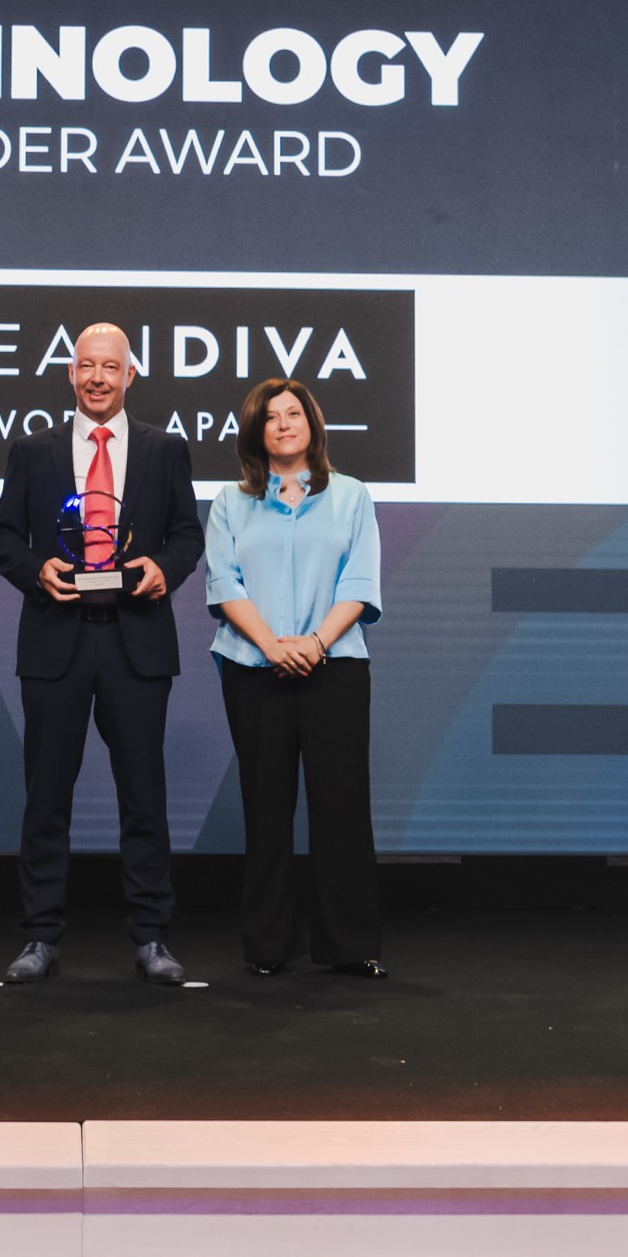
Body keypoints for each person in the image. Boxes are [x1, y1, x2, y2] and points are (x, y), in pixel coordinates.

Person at [0, 323, 204, 984]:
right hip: (56, 640)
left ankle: (152, 938)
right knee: (45, 797)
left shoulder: (165, 449)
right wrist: (37, 570)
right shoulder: (33, 451)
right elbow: (2, 539)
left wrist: (164, 568)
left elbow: (187, 535)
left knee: (144, 797)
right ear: (71, 373)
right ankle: (39, 937)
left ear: (129, 375)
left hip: (136, 642)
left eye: (110, 367)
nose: (97, 378)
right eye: (86, 365)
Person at [204, 378, 387, 979]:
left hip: (334, 666)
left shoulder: (351, 495)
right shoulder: (230, 502)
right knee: (266, 807)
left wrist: (312, 643)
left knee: (342, 806)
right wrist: (270, 646)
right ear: (256, 432)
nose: (283, 424)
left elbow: (359, 582)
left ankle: (350, 944)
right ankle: (269, 943)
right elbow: (223, 583)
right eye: (271, 417)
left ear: (313, 425)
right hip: (252, 668)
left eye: (294, 414)